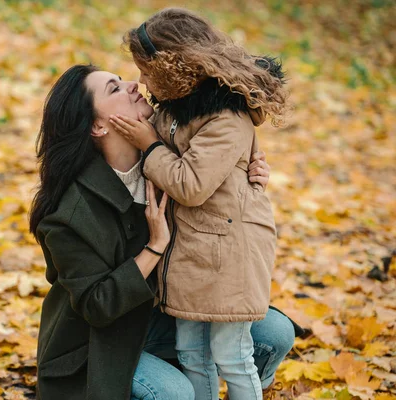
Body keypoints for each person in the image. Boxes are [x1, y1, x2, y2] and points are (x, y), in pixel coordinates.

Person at [30, 65, 299, 400]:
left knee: (274, 332)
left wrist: (245, 176)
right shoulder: (69, 213)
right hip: (96, 344)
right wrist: (155, 246)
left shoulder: (168, 164)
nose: (133, 85)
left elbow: (213, 193)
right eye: (114, 89)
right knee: (174, 392)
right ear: (98, 125)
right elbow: (98, 307)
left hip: (161, 319)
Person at [108, 8, 290, 400]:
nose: (140, 81)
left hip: (229, 255)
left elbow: (190, 185)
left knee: (232, 354)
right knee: (191, 351)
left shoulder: (226, 115)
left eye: (145, 70)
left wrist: (149, 145)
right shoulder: (174, 109)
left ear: (172, 66)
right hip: (191, 255)